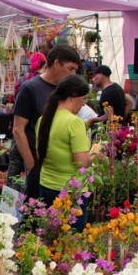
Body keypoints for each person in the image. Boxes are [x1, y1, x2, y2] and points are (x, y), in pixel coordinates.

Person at [8, 44, 81, 199]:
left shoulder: (64, 91)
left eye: (75, 70)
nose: (73, 74)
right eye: (70, 68)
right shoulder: (30, 89)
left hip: (60, 169)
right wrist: (31, 164)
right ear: (56, 63)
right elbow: (18, 129)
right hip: (38, 165)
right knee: (34, 212)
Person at [36, 74, 101, 232]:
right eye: (83, 99)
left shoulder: (43, 119)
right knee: (71, 244)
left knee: (51, 238)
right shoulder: (74, 122)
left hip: (46, 185)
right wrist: (95, 152)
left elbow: (40, 155)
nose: (84, 104)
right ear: (72, 97)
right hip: (70, 192)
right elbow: (82, 162)